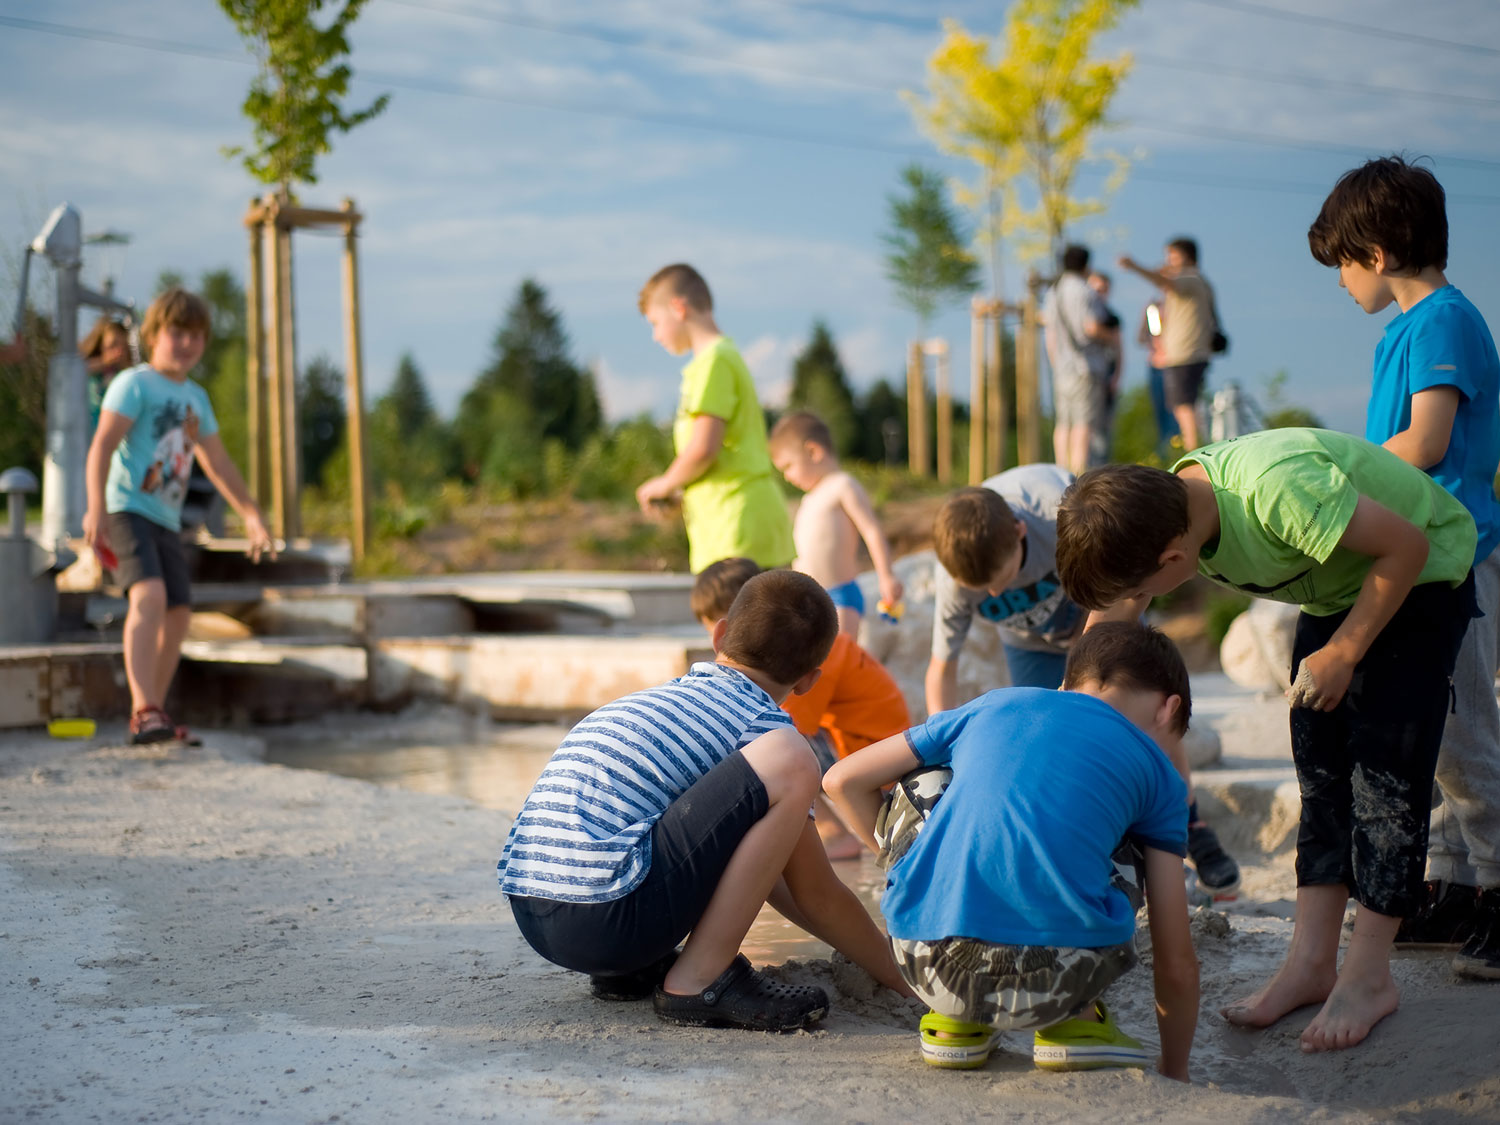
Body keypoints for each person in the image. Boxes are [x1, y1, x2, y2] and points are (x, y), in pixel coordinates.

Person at [1055, 428, 1478, 1052]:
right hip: (1338, 586)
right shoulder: (1164, 513)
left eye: (1143, 591)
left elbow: (1406, 548)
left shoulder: (1275, 492)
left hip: (1416, 576)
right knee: (1321, 774)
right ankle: (1311, 964)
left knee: (1387, 781)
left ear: (1175, 562)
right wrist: (1070, 709)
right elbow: (1112, 620)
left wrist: (1345, 650)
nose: (1140, 604)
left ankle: (1368, 976)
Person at [498, 569, 912, 1031]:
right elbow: (816, 895)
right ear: (809, 681)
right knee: (795, 759)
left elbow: (771, 874)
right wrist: (907, 976)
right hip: (605, 920)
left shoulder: (653, 703)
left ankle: (629, 971)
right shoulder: (761, 728)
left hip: (533, 913)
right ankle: (699, 979)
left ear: (719, 634)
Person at [823, 622, 1199, 1079]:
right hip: (1063, 981)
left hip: (925, 963)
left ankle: (957, 1023)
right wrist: (1175, 1070)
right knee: (1130, 823)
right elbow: (1175, 958)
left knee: (927, 780)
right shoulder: (1157, 769)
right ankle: (1073, 1026)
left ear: (1066, 685)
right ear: (1168, 709)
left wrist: (913, 867)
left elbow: (840, 780)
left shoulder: (994, 704)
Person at [1309, 154, 1500, 980]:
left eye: (1344, 264)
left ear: (1378, 252)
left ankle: (1498, 886)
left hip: (1459, 554)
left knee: (1465, 735)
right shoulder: (1407, 331)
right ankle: (1456, 884)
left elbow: (1423, 445)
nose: (1343, 284)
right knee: (1437, 728)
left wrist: (1334, 469)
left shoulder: (1445, 323)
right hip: (1427, 558)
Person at [925, 464, 1242, 898]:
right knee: (1053, 743)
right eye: (983, 592)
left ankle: (1192, 826)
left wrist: (1091, 657)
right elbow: (941, 670)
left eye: (1003, 580)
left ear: (1021, 531)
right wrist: (945, 754)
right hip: (1032, 647)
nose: (995, 596)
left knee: (1150, 724)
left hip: (1108, 606)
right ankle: (1116, 845)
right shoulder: (958, 577)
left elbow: (1118, 569)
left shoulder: (1054, 507)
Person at [83, 287, 274, 745]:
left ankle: (157, 711)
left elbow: (217, 461)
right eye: (176, 332)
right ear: (153, 336)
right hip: (128, 507)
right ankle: (142, 709)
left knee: (180, 613)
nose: (186, 343)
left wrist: (250, 513)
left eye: (196, 335)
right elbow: (102, 446)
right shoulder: (134, 383)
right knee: (148, 597)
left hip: (167, 520)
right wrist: (95, 509)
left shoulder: (197, 398)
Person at [691, 557, 911, 860]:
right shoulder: (810, 643)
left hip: (874, 761)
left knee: (771, 748)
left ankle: (832, 833)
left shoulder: (808, 656)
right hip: (867, 749)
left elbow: (786, 733)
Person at [634, 264, 793, 574]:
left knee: (734, 624)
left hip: (736, 529)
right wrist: (680, 490)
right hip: (732, 526)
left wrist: (664, 484)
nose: (655, 336)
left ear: (678, 308)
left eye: (655, 323)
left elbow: (704, 448)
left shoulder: (713, 361)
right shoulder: (718, 358)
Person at [768, 410, 903, 637]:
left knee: (840, 658)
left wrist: (886, 575)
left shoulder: (842, 485)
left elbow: (871, 531)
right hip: (808, 598)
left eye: (788, 466)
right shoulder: (809, 498)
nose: (787, 476)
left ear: (814, 451)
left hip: (839, 597)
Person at [1118, 238, 1218, 451]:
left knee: (1184, 406)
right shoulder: (1196, 282)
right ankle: (1192, 449)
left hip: (1186, 353)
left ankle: (1193, 452)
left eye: (1173, 255)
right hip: (1186, 353)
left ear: (1187, 256)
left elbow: (1166, 283)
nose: (1169, 261)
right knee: (1184, 406)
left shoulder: (1191, 278)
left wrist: (1134, 266)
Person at [1042, 244, 1111, 474]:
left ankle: (1061, 471)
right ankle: (1078, 472)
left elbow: (1049, 332)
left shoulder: (1053, 291)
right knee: (1083, 423)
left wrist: (1055, 362)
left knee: (1063, 423)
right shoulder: (1084, 291)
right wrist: (1108, 335)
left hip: (1062, 366)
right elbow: (1090, 327)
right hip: (1085, 365)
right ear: (1086, 265)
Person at [1087, 271, 1124, 467]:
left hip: (1105, 375)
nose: (1099, 293)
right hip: (1087, 374)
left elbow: (1119, 349)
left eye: (1102, 289)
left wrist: (1117, 377)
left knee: (1103, 427)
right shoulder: (1085, 313)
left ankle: (1098, 468)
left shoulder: (1111, 317)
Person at [1138, 300, 1180, 451]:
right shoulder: (1151, 315)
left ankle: (1175, 445)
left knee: (1174, 413)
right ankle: (1164, 448)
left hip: (1169, 365)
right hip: (1155, 367)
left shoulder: (1175, 317)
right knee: (1160, 413)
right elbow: (1142, 339)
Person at [80, 317, 133, 437]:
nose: (118, 351)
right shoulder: (92, 366)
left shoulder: (127, 373)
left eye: (124, 346)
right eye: (113, 345)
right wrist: (105, 361)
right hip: (90, 430)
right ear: (100, 345)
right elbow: (80, 370)